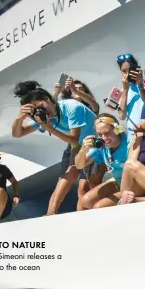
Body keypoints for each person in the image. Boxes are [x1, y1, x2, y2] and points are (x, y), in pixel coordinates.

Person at [11, 80, 96, 215]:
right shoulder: (43, 117)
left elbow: (74, 138)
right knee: (68, 176)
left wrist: (48, 127)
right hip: (79, 145)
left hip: (97, 141)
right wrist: (19, 118)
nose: (41, 112)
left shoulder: (72, 107)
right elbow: (17, 133)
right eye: (36, 110)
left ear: (47, 99)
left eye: (41, 107)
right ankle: (50, 214)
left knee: (87, 185)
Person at [53, 77, 101, 207]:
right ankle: (51, 213)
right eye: (74, 89)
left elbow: (94, 104)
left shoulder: (89, 108)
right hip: (73, 147)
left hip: (91, 147)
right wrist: (56, 92)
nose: (77, 90)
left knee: (83, 186)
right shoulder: (66, 107)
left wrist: (76, 90)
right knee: (63, 180)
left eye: (81, 89)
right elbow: (51, 110)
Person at [74, 114, 130, 209]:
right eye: (100, 134)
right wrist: (83, 150)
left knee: (99, 207)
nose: (104, 138)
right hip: (117, 182)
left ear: (117, 129)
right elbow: (79, 165)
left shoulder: (129, 143)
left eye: (107, 133)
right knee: (84, 201)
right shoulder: (101, 146)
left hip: (131, 184)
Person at [116, 53, 145, 146]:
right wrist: (125, 90)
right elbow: (122, 116)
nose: (127, 74)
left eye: (130, 70)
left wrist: (140, 84)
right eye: (124, 71)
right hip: (133, 136)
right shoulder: (122, 92)